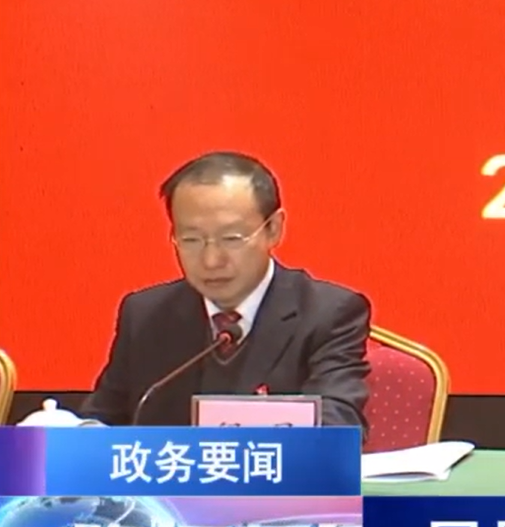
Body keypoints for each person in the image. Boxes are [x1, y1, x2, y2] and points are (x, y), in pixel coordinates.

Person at [80, 152, 372, 427]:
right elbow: (101, 422)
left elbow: (337, 425)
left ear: (273, 229)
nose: (211, 260)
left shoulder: (327, 314)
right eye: (191, 240)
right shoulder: (145, 315)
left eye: (231, 238)